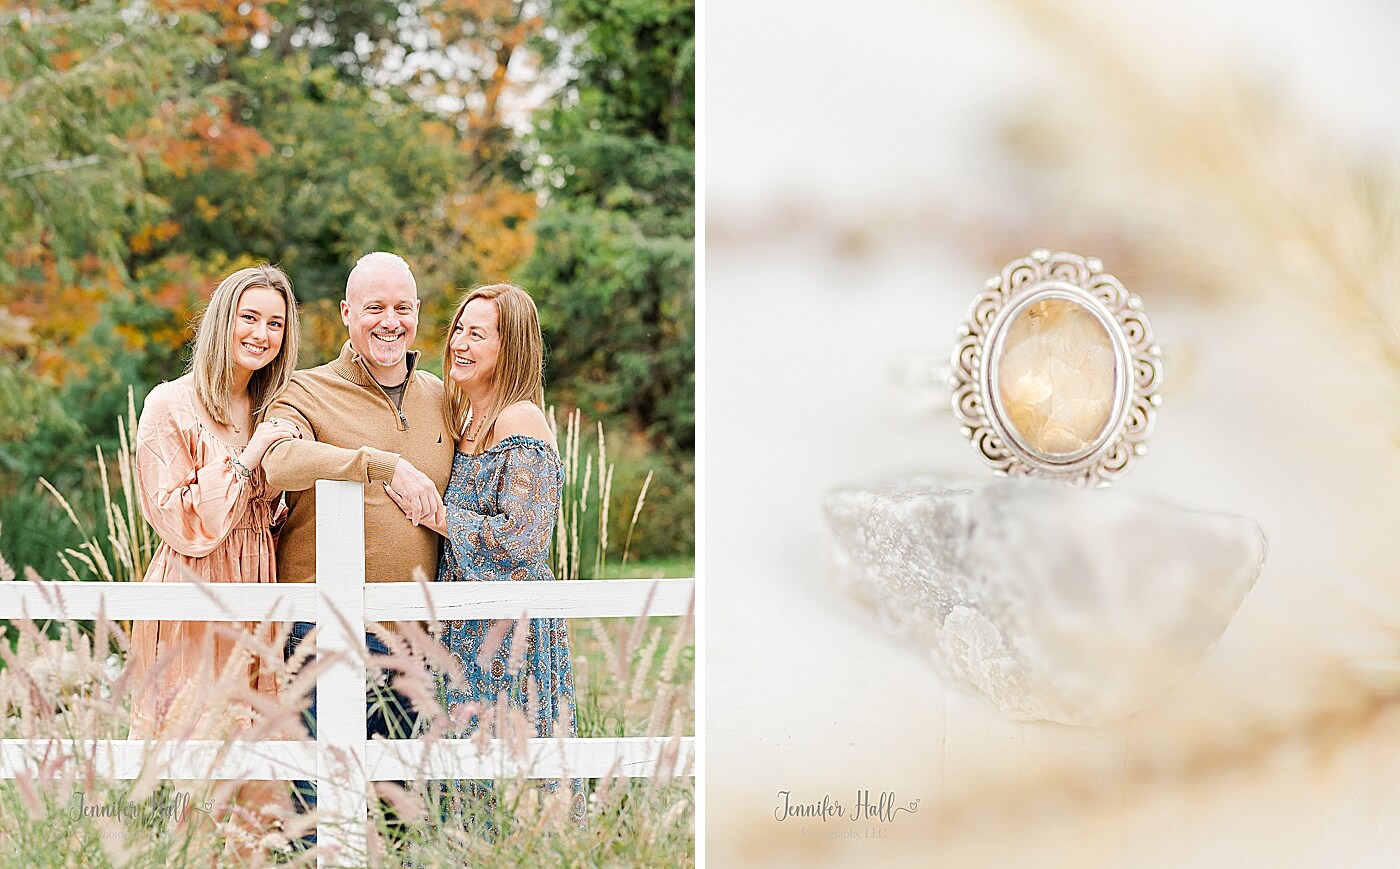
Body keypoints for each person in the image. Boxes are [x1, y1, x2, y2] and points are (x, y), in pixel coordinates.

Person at [260, 251, 454, 826]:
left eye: (402, 308)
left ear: (418, 313)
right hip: (326, 637)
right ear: (347, 313)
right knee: (319, 818)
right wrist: (379, 464)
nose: (389, 322)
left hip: (420, 644)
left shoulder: (441, 396)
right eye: (374, 308)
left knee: (409, 825)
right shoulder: (305, 391)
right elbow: (274, 459)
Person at [128, 264, 301, 851]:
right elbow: (184, 523)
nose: (261, 333)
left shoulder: (277, 408)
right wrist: (249, 459)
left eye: (275, 323)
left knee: (261, 791)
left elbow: (280, 517)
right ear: (222, 321)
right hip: (195, 597)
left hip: (259, 596)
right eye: (249, 317)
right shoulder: (170, 404)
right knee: (202, 783)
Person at [405, 283, 586, 828]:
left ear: (510, 348)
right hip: (463, 629)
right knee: (463, 777)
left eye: (476, 334)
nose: (459, 341)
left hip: (512, 630)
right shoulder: (464, 423)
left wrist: (437, 515)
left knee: (513, 775)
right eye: (458, 329)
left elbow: (523, 537)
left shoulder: (520, 419)